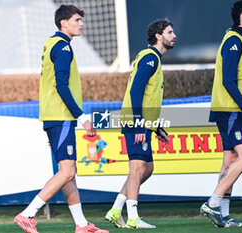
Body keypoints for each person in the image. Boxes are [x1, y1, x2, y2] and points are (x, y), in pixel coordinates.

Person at [14, 5, 108, 233]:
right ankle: (27, 214)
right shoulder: (63, 47)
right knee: (67, 172)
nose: (81, 23)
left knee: (69, 172)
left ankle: (82, 224)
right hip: (61, 116)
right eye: (77, 20)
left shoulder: (51, 43)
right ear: (63, 23)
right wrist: (83, 117)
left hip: (54, 117)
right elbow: (62, 86)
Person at [105, 19, 176, 229]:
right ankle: (133, 217)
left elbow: (147, 98)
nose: (174, 36)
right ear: (158, 36)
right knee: (137, 168)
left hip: (144, 123)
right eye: (170, 32)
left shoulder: (153, 59)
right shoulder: (150, 58)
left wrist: (156, 128)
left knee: (147, 168)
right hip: (136, 122)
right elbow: (136, 92)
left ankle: (116, 209)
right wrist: (138, 126)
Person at [200, 0, 242, 228]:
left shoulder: (240, 41)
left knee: (231, 160)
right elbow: (228, 80)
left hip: (230, 111)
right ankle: (212, 203)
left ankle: (223, 216)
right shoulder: (234, 41)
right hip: (230, 111)